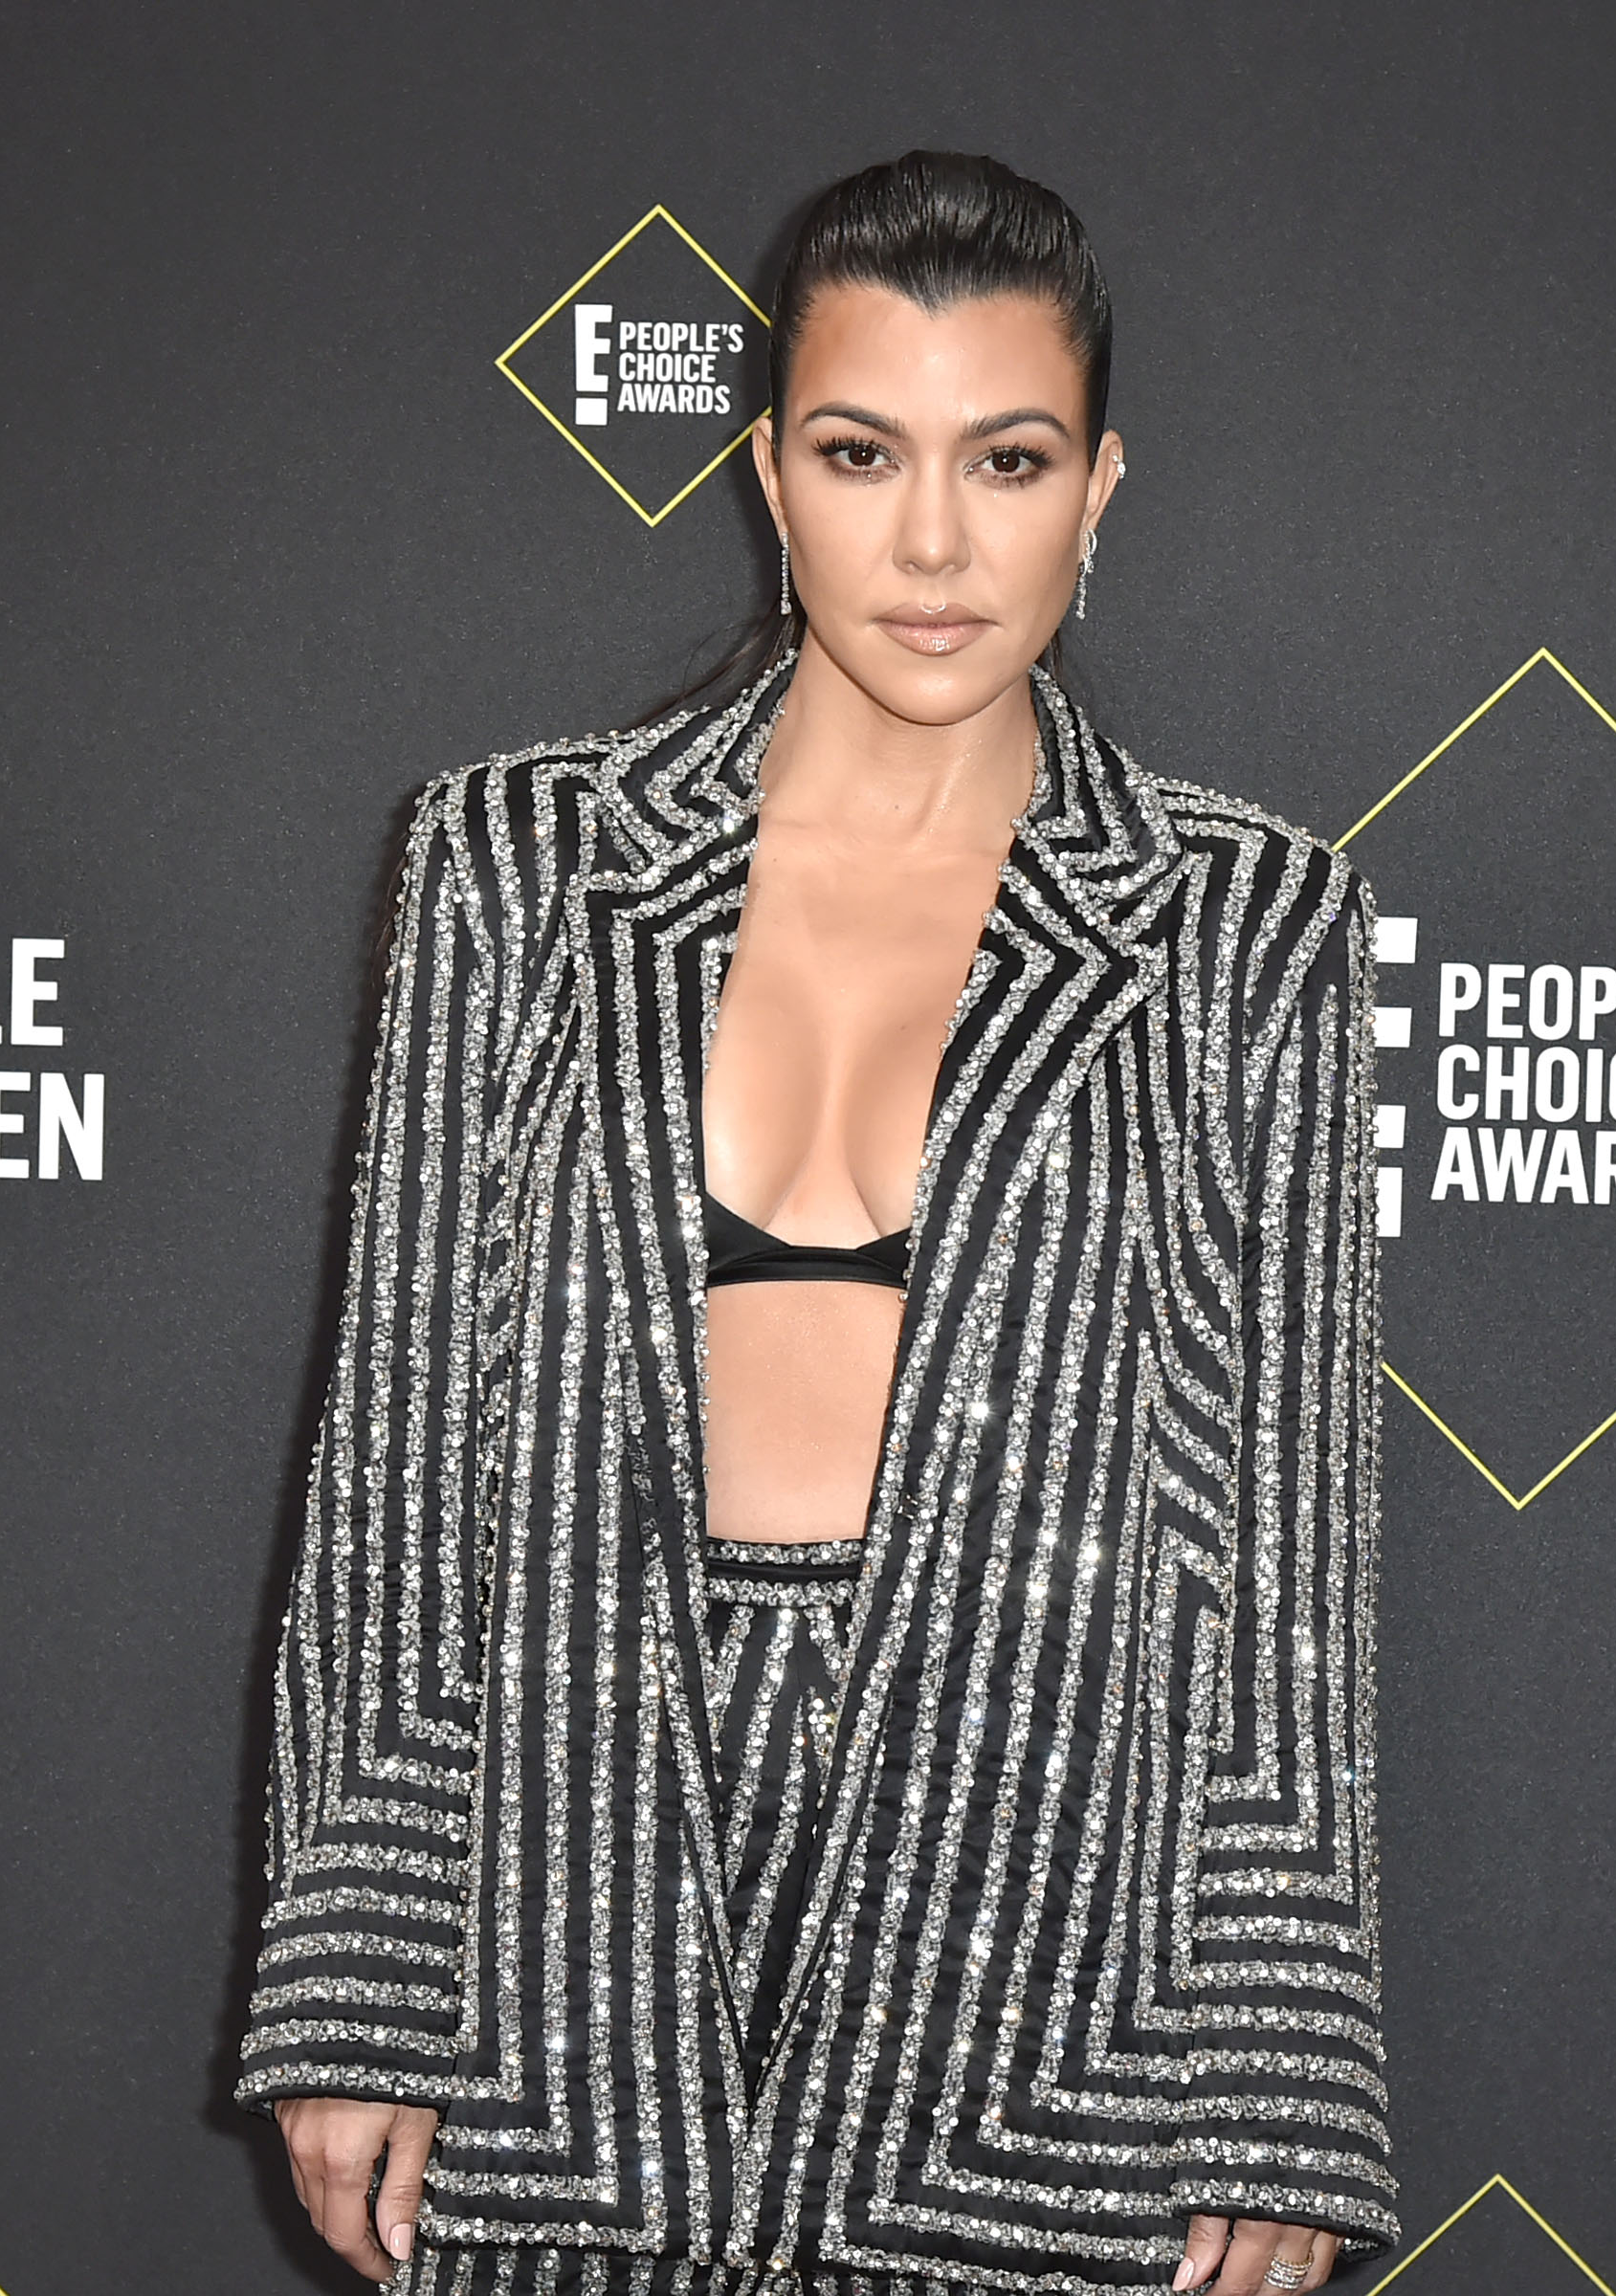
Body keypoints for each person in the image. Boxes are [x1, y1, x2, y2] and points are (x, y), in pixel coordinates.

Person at [238, 150, 1392, 2296]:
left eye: (1010, 458)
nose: (936, 544)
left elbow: (1278, 1540)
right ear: (774, 476)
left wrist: (1278, 2048)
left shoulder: (1250, 920)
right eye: (865, 455)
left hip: (1054, 1916)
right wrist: (364, 1953)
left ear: (1103, 487)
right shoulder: (515, 865)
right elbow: (403, 1444)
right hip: (565, 1876)